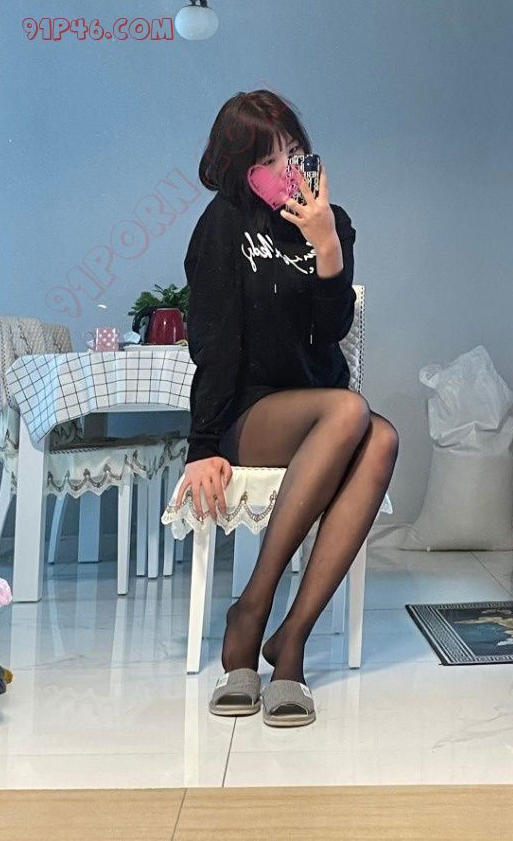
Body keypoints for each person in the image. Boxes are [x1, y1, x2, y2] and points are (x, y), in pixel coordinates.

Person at [175, 89, 399, 722]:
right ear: (238, 168)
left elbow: (330, 332)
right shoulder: (222, 224)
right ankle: (252, 608)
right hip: (252, 414)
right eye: (268, 160)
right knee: (351, 413)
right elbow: (213, 342)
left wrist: (326, 244)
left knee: (381, 436)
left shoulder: (332, 221)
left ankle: (290, 638)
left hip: (320, 409)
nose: (288, 169)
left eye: (294, 151)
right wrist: (204, 445)